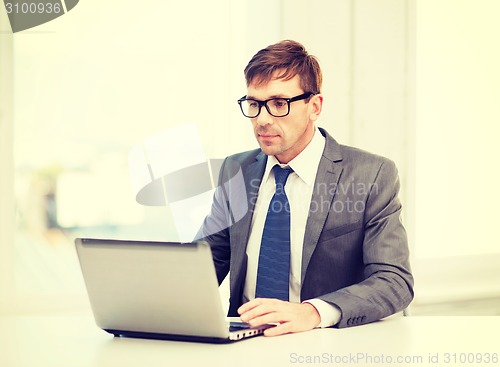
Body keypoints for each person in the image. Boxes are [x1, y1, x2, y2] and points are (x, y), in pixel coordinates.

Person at [196, 40, 413, 336]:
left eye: (278, 104)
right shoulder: (236, 171)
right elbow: (204, 263)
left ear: (314, 106)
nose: (262, 119)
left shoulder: (371, 174)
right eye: (253, 104)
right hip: (242, 345)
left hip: (323, 344)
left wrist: (312, 312)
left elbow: (394, 281)